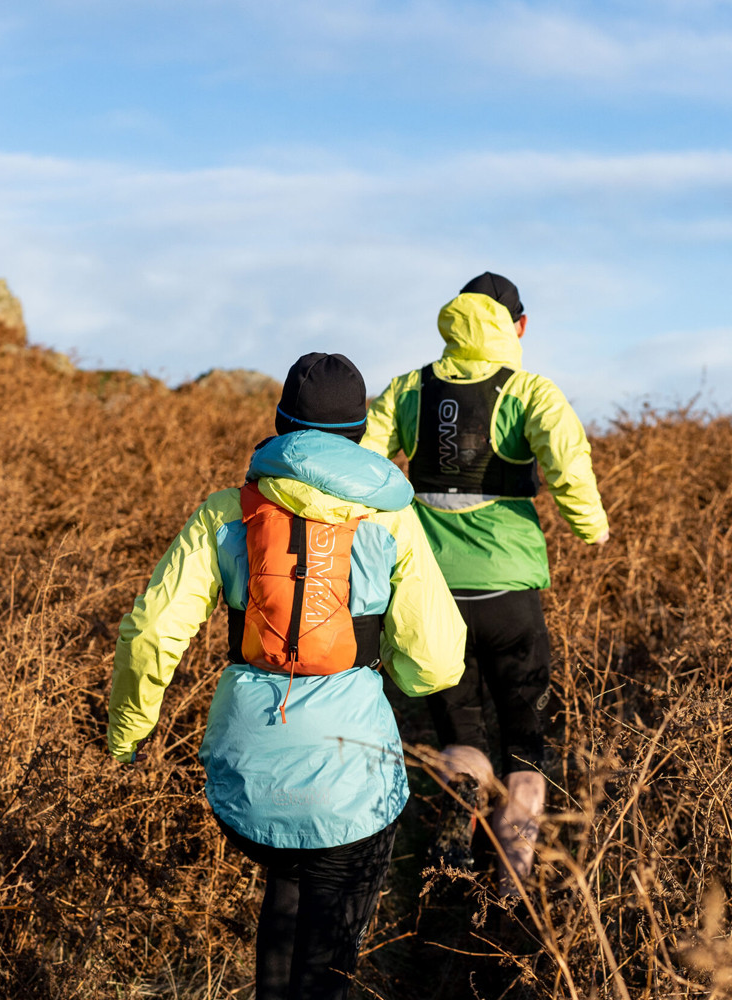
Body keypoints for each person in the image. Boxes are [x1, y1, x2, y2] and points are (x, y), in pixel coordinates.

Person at [108, 352, 467, 1000]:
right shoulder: (392, 519)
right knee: (330, 940)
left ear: (280, 425)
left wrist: (125, 737)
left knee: (288, 869)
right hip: (351, 778)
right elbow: (437, 661)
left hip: (248, 775)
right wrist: (394, 673)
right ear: (360, 433)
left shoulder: (226, 511)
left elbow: (151, 633)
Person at [361, 272, 609, 897]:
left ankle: (458, 847)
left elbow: (363, 465)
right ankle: (511, 890)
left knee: (461, 734)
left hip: (432, 593)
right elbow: (568, 464)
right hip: (510, 596)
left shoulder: (409, 388)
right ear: (518, 326)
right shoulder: (531, 391)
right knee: (525, 741)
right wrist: (592, 529)